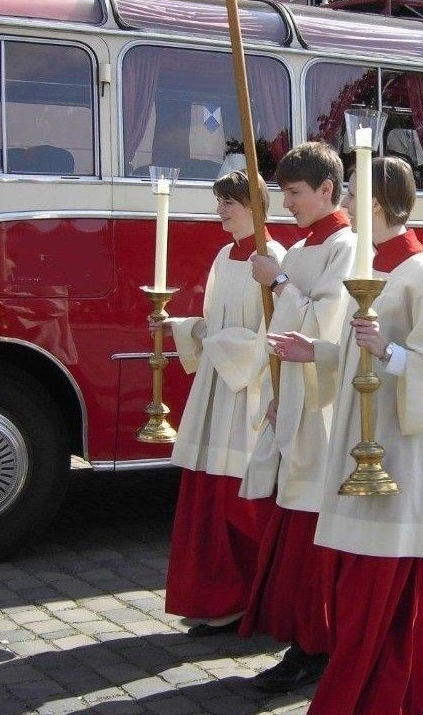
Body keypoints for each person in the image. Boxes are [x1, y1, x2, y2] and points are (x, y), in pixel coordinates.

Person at [269, 156, 423, 715]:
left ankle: (376, 694)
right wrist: (318, 352)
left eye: (351, 197)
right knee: (386, 587)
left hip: (403, 457)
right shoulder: (375, 273)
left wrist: (390, 352)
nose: (344, 207)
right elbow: (357, 358)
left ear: (376, 205)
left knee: (383, 585)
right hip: (362, 450)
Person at [237, 142, 356, 691]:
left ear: (328, 190)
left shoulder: (345, 247)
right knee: (290, 523)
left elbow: (327, 327)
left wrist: (279, 282)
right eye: (283, 193)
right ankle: (303, 635)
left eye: (295, 193)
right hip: (293, 401)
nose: (285, 204)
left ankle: (319, 640)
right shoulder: (307, 245)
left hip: (323, 408)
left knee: (313, 530)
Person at [161, 171, 285, 636]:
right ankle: (214, 593)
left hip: (251, 394)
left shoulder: (273, 258)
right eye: (219, 202)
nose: (221, 210)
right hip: (218, 390)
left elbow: (271, 337)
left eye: (229, 202)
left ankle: (247, 595)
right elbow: (213, 323)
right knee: (210, 495)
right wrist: (180, 327)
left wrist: (212, 340)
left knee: (243, 502)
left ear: (255, 205)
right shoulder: (222, 256)